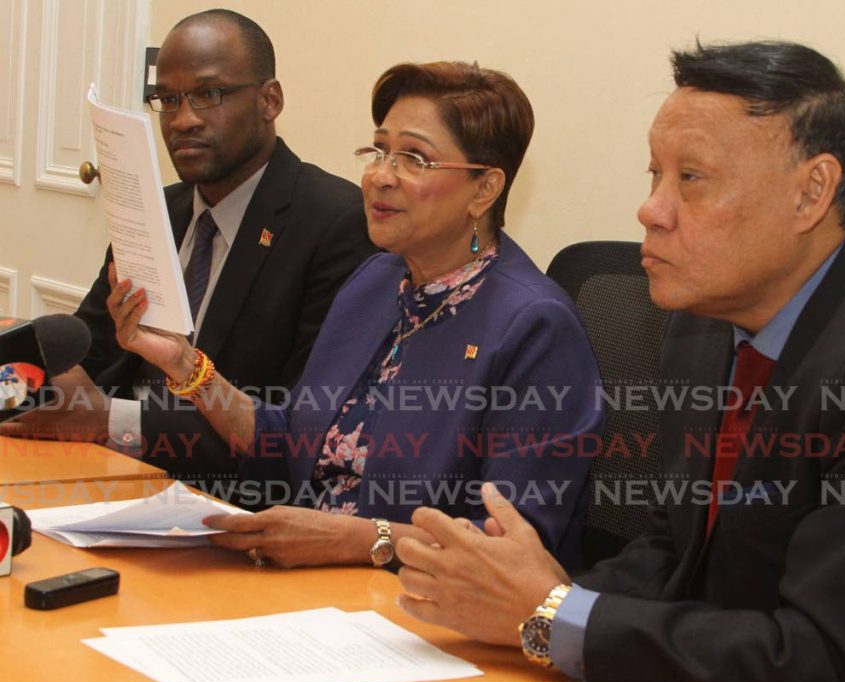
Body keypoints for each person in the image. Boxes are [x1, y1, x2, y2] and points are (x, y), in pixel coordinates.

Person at [392, 41, 845, 682]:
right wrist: (544, 597)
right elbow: (677, 544)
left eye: (690, 178)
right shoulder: (706, 317)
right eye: (653, 175)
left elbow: (826, 665)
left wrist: (558, 616)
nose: (651, 210)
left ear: (812, 191)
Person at [106, 61, 604, 570]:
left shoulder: (535, 328)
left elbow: (512, 549)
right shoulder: (375, 281)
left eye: (414, 158)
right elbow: (287, 440)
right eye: (379, 151)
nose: (379, 176)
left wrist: (354, 540)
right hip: (307, 586)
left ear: (484, 189)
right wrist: (185, 365)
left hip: (422, 613)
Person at [0, 10, 375, 502]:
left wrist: (110, 420)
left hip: (224, 498)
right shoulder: (160, 209)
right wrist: (21, 377)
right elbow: (88, 351)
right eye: (168, 99)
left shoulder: (336, 223)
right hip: (106, 475)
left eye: (208, 94)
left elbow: (298, 426)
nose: (183, 120)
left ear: (270, 100)